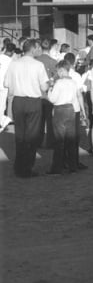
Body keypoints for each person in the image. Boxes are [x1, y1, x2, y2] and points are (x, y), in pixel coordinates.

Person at [4, 39, 49, 178]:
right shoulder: (38, 65)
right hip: (33, 101)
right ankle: (27, 167)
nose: (39, 50)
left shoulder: (14, 64)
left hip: (18, 101)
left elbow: (6, 84)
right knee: (32, 136)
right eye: (38, 47)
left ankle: (19, 166)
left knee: (20, 135)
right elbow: (44, 87)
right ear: (33, 48)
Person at [46, 60, 82, 174]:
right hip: (70, 109)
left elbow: (52, 99)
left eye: (58, 72)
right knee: (70, 139)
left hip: (59, 110)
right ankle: (73, 166)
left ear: (61, 71)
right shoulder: (73, 83)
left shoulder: (59, 83)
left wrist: (50, 89)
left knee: (59, 140)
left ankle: (57, 167)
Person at [36, 38, 58, 148]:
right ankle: (50, 142)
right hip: (49, 94)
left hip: (36, 94)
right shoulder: (53, 62)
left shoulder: (35, 60)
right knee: (50, 120)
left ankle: (38, 141)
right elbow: (57, 77)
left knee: (38, 121)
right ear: (50, 48)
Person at [0, 43, 15, 132]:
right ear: (13, 52)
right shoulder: (11, 61)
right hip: (3, 85)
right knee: (2, 105)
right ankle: (2, 122)